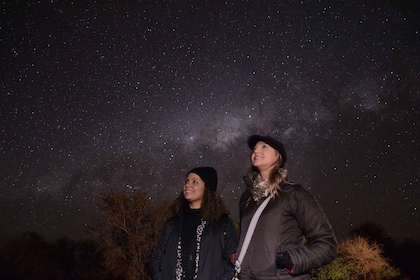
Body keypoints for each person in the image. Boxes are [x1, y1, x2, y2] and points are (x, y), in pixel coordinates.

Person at [235, 135, 338, 280]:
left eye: (264, 147)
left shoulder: (294, 194)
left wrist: (292, 260)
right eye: (254, 149)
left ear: (278, 156)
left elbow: (328, 245)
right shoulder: (247, 199)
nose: (256, 151)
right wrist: (239, 253)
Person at [150, 166, 239, 280]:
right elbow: (156, 259)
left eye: (195, 182)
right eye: (186, 181)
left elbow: (233, 262)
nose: (188, 185)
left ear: (207, 188)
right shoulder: (173, 223)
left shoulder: (222, 224)